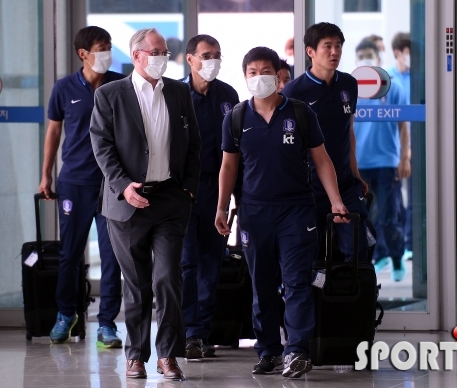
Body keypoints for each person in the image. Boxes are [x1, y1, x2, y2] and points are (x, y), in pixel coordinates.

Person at [215, 46, 348, 378]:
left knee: (297, 283)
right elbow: (228, 166)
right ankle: (268, 350)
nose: (259, 77)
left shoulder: (301, 114)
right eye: (252, 72)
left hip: (296, 213)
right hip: (253, 213)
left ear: (278, 76)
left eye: (265, 71)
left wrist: (335, 200)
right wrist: (222, 206)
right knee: (261, 284)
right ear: (244, 77)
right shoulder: (236, 117)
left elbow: (322, 160)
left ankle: (298, 350)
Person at [90, 28, 201, 380]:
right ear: (137, 56)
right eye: (155, 52)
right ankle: (136, 355)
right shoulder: (110, 95)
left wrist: (188, 190)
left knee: (168, 279)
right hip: (127, 202)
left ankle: (169, 354)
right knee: (136, 282)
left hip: (169, 199)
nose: (161, 58)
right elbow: (102, 145)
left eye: (165, 52)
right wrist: (123, 186)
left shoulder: (180, 93)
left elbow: (195, 144)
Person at [39, 26, 124, 347]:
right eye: (101, 48)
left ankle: (107, 324)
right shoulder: (64, 89)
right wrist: (46, 174)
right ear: (83, 54)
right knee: (70, 254)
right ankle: (65, 314)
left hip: (112, 183)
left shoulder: (119, 84)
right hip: (74, 182)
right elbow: (53, 133)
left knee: (112, 255)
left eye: (109, 47)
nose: (107, 53)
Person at [282, 22, 369, 264]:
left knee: (357, 251)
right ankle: (316, 302)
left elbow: (347, 131)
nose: (334, 52)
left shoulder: (349, 84)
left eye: (338, 46)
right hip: (308, 189)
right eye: (327, 46)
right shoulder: (293, 92)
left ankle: (353, 301)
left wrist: (355, 174)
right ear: (310, 51)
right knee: (311, 256)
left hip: (344, 183)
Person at [180, 34, 239, 359]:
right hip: (181, 192)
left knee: (211, 263)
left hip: (217, 192)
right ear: (190, 59)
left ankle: (202, 332)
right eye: (206, 54)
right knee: (187, 263)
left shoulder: (228, 95)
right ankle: (188, 331)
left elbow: (236, 152)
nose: (212, 60)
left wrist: (235, 196)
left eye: (217, 54)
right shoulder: (174, 93)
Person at [353, 39, 411, 281]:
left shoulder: (393, 87)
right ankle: (371, 261)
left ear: (378, 58)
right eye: (361, 55)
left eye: (370, 54)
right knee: (361, 219)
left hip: (387, 163)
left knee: (389, 215)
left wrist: (405, 157)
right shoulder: (350, 90)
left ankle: (397, 259)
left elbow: (404, 125)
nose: (366, 59)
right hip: (358, 165)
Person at [386, 32, 414, 262]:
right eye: (409, 52)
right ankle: (399, 245)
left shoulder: (420, 77)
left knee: (416, 197)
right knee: (395, 200)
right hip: (394, 151)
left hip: (419, 147)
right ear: (398, 53)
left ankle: (412, 243)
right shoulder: (386, 80)